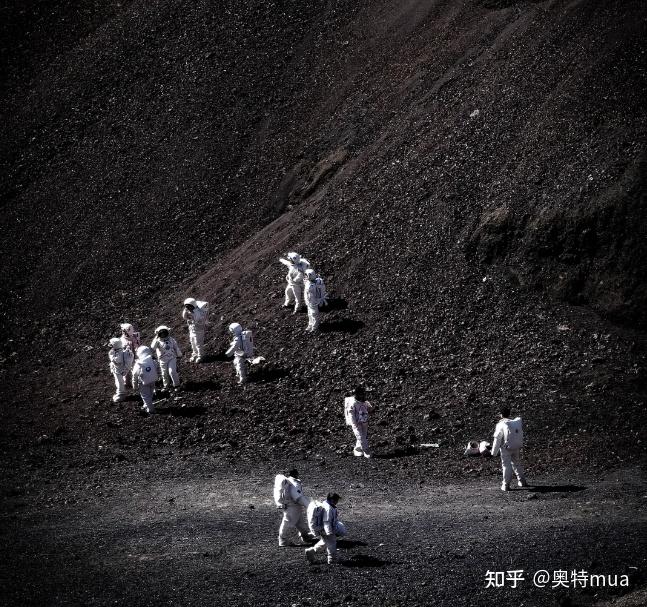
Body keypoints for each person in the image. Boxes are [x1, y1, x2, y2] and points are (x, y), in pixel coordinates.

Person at [274, 469, 316, 547]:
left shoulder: (289, 482)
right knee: (286, 522)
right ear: (296, 474)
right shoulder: (294, 484)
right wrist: (308, 506)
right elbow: (298, 497)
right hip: (292, 507)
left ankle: (305, 536)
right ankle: (282, 540)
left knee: (300, 522)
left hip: (294, 507)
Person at [491, 406, 528, 491]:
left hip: (505, 448)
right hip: (515, 446)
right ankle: (522, 481)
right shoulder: (514, 423)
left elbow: (497, 438)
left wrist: (494, 452)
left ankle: (506, 485)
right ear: (509, 414)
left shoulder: (501, 424)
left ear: (501, 415)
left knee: (506, 466)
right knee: (517, 463)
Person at [305, 492, 347, 565]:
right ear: (331, 500)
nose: (337, 502)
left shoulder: (326, 504)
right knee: (332, 543)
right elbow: (326, 521)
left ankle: (311, 551)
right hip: (326, 530)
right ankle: (332, 559)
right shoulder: (329, 509)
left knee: (324, 543)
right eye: (336, 500)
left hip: (322, 529)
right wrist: (329, 532)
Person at [150, 325, 182, 392]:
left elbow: (176, 347)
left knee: (172, 372)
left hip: (172, 358)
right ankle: (166, 385)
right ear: (159, 334)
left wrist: (179, 354)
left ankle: (177, 385)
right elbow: (152, 348)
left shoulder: (171, 339)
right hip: (162, 359)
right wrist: (156, 339)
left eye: (164, 333)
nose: (163, 335)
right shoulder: (157, 341)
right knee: (164, 373)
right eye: (161, 334)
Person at [344, 386, 373, 458]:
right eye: (360, 394)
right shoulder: (353, 403)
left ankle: (358, 449)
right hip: (357, 423)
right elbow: (351, 414)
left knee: (363, 435)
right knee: (360, 436)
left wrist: (370, 408)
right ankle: (366, 450)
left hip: (364, 421)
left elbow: (369, 408)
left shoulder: (364, 402)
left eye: (362, 394)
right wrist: (354, 423)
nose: (361, 395)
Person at [132, 345, 160, 415]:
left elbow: (135, 375)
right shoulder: (153, 361)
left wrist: (134, 385)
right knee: (150, 394)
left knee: (145, 396)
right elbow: (157, 368)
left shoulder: (138, 364)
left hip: (143, 383)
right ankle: (146, 404)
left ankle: (151, 410)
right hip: (153, 380)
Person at [182, 298, 208, 362]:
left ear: (193, 305)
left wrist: (191, 315)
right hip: (192, 329)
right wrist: (185, 310)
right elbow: (184, 317)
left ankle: (201, 356)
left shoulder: (198, 312)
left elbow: (196, 319)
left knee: (198, 343)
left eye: (189, 306)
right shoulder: (189, 311)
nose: (188, 308)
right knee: (193, 343)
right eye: (187, 306)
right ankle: (195, 354)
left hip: (198, 330)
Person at [108, 337, 134, 402]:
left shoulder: (119, 353)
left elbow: (116, 360)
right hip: (117, 369)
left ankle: (121, 394)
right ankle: (119, 392)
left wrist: (111, 355)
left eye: (112, 345)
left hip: (119, 370)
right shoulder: (118, 351)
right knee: (118, 381)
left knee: (119, 382)